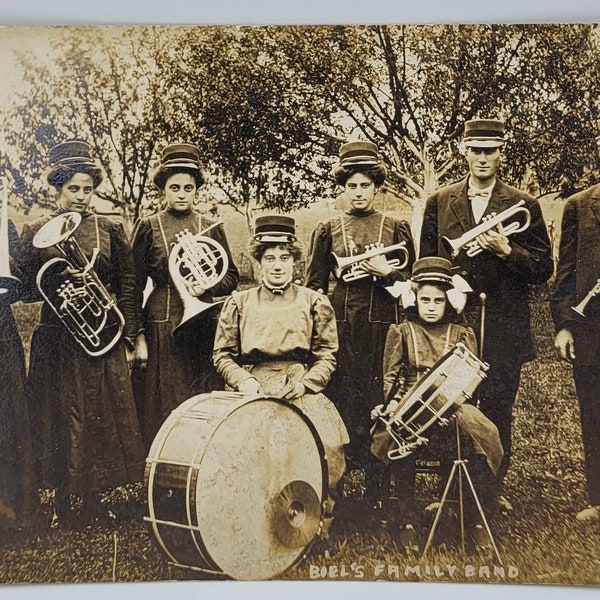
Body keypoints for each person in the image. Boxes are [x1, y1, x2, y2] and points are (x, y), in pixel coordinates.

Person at [420, 119, 553, 499]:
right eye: (475, 149)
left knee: (497, 407)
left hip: (504, 325)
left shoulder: (523, 204)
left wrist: (507, 250)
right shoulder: (440, 201)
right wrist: (449, 284)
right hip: (453, 322)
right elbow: (426, 262)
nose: (482, 158)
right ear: (463, 150)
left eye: (490, 150)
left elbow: (543, 269)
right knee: (451, 407)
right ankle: (453, 490)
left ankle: (489, 492)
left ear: (501, 153)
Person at [16, 140, 145, 529]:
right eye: (73, 189)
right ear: (57, 190)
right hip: (57, 339)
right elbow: (22, 289)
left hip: (98, 338)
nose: (82, 197)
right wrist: (56, 279)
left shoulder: (110, 228)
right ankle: (60, 502)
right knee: (57, 418)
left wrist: (128, 334)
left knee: (98, 417)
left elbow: (127, 283)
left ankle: (94, 497)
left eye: (88, 189)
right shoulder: (36, 230)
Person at [213, 215, 349, 535]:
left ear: (295, 262)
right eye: (269, 258)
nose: (277, 266)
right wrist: (244, 381)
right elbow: (221, 354)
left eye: (285, 258)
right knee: (249, 446)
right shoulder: (239, 303)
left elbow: (327, 355)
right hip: (253, 384)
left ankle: (318, 515)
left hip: (300, 382)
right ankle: (251, 516)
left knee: (327, 443)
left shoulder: (315, 302)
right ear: (258, 262)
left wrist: (305, 383)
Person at [305, 140, 416, 500]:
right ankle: (335, 486)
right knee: (342, 401)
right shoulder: (328, 228)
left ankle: (378, 486)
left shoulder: (395, 227)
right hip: (340, 329)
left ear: (377, 187)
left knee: (379, 398)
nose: (358, 193)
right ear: (343, 188)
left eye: (365, 185)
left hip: (383, 329)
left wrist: (387, 273)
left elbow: (412, 287)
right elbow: (315, 288)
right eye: (351, 186)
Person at [371, 257, 504, 551]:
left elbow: (468, 380)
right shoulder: (402, 331)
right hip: (409, 402)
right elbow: (392, 378)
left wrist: (447, 403)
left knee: (480, 433)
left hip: (453, 404)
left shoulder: (460, 334)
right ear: (415, 299)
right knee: (398, 432)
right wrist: (393, 404)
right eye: (425, 299)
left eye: (438, 300)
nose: (431, 306)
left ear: (449, 302)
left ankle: (474, 517)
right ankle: (408, 518)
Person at [132, 143, 239, 448]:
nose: (181, 194)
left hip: (203, 322)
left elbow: (231, 277)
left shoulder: (210, 225)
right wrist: (137, 334)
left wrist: (208, 287)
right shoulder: (148, 226)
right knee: (164, 397)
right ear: (162, 189)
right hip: (161, 321)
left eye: (188, 188)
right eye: (174, 187)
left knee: (202, 390)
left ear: (196, 190)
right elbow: (134, 285)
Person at [550, 184, 600, 522]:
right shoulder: (579, 205)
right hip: (590, 328)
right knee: (594, 414)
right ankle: (598, 499)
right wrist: (564, 325)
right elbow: (565, 270)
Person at [0, 214, 39, 534]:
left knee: (9, 414)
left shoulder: (5, 226)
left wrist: (10, 272)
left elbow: (25, 288)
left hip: (1, 329)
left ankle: (13, 510)